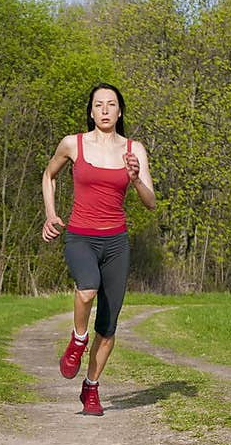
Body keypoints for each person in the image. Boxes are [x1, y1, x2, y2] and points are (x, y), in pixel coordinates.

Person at [41, 82, 156, 415]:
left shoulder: (134, 150)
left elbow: (150, 202)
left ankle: (90, 388)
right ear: (90, 111)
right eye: (98, 105)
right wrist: (50, 213)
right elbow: (48, 176)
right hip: (80, 237)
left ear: (119, 112)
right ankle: (78, 339)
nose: (105, 110)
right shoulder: (73, 144)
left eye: (111, 105)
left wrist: (135, 179)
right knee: (87, 288)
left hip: (116, 242)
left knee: (108, 326)